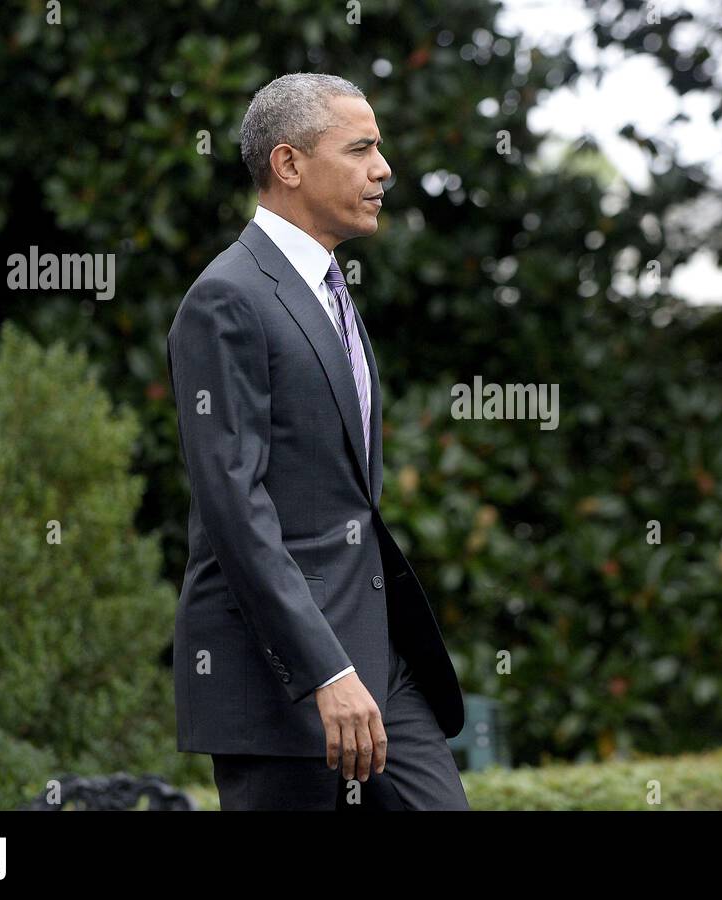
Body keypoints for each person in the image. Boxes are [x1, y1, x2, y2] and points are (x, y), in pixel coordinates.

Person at [166, 72, 469, 810]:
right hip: (281, 682)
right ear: (289, 164)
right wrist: (324, 673)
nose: (383, 168)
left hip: (380, 665)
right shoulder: (226, 298)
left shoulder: (326, 285)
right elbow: (234, 507)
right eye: (360, 148)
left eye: (381, 148)